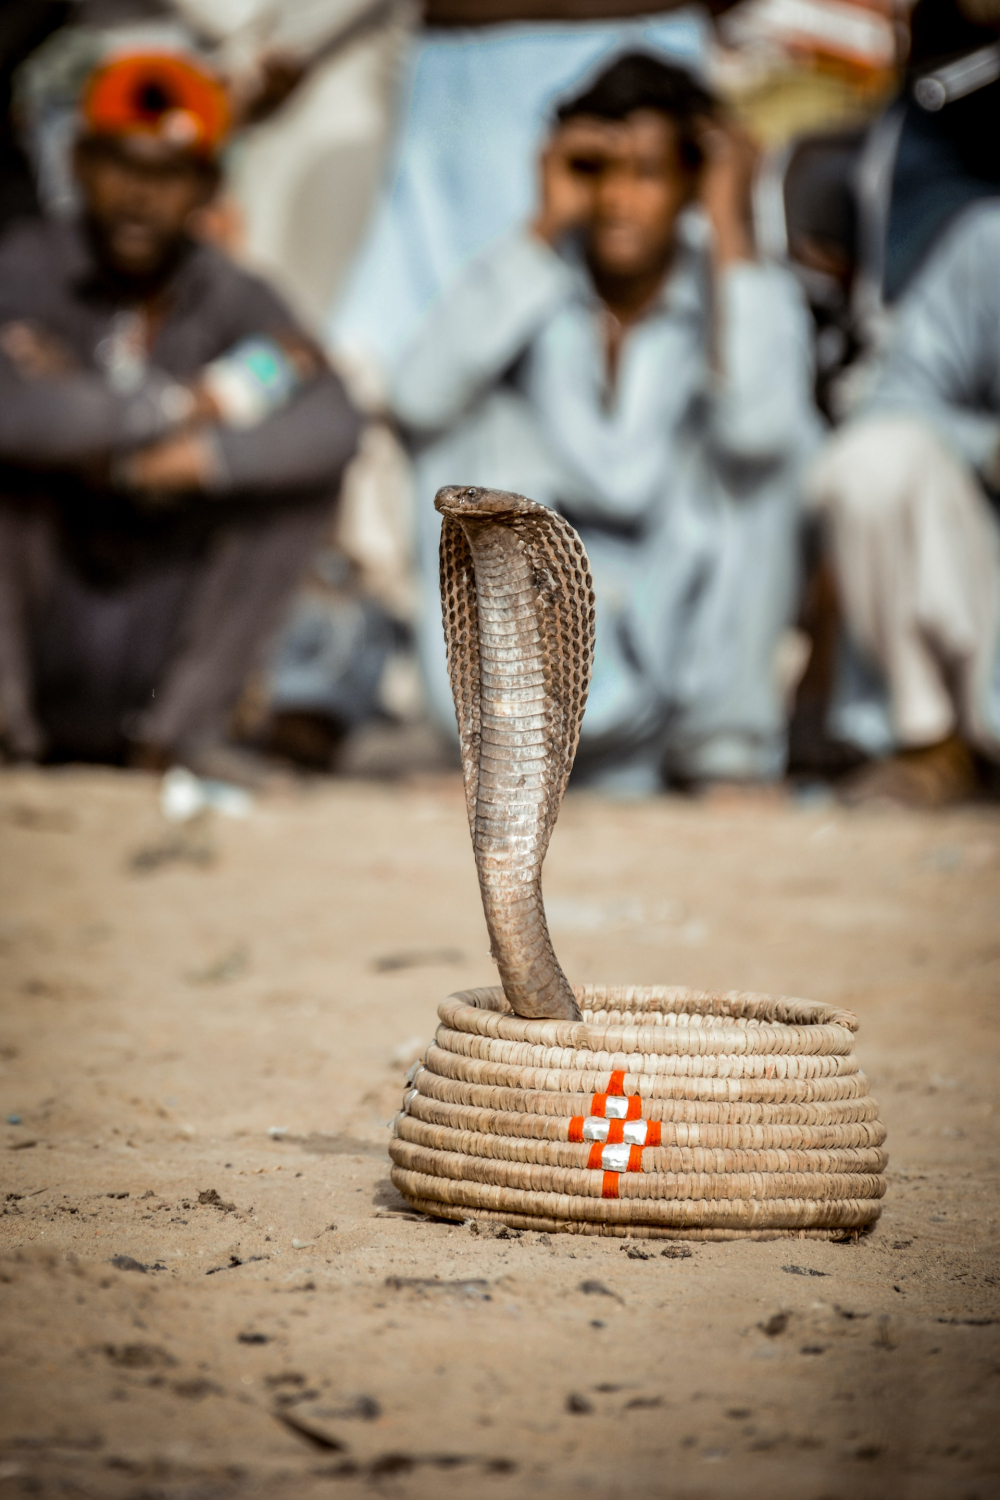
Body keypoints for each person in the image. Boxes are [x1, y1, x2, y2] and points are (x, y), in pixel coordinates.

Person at [388, 51, 820, 792]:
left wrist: (728, 225)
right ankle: (501, 741)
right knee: (461, 434)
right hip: (556, 623)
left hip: (679, 612)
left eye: (648, 172)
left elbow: (759, 429)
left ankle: (727, 753)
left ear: (690, 179)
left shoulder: (741, 283)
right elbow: (416, 400)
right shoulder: (532, 277)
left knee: (771, 456)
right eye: (598, 170)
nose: (619, 198)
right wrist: (545, 221)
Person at [0, 46, 362, 773]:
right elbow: (14, 417)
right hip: (41, 621)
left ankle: (175, 741)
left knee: (298, 488)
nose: (140, 196)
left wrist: (204, 459)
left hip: (156, 624)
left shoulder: (235, 295)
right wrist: (181, 405)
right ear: (78, 163)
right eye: (121, 165)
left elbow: (334, 422)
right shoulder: (23, 268)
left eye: (169, 175)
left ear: (207, 185)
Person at [806, 201, 1000, 807]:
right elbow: (890, 403)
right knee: (872, 461)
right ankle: (935, 745)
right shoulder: (989, 241)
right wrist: (991, 448)